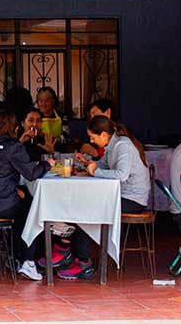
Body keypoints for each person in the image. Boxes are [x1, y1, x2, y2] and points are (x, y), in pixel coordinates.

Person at [0, 108, 54, 281]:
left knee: (24, 201)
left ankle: (15, 256)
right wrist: (48, 164)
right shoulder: (13, 147)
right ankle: (28, 261)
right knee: (33, 208)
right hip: (0, 206)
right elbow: (32, 173)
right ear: (16, 129)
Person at [65, 116, 151, 280]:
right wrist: (86, 162)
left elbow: (121, 175)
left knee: (85, 211)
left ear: (104, 135)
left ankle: (83, 263)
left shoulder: (122, 145)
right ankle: (78, 257)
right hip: (119, 195)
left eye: (92, 137)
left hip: (133, 199)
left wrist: (94, 171)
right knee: (83, 208)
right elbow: (103, 164)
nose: (91, 140)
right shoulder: (112, 145)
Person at [36, 87, 73, 152]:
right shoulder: (35, 117)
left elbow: (66, 136)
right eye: (41, 101)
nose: (43, 104)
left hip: (59, 151)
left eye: (47, 101)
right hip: (40, 150)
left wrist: (52, 140)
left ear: (53, 101)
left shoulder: (61, 116)